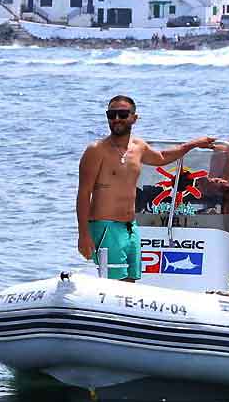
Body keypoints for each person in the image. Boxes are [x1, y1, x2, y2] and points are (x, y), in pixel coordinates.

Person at [75, 95, 215, 281]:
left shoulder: (138, 146)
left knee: (131, 280)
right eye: (112, 114)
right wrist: (83, 234)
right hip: (106, 226)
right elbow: (84, 194)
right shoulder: (96, 150)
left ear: (134, 117)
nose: (116, 119)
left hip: (130, 227)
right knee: (115, 284)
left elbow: (162, 157)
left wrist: (194, 144)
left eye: (122, 114)